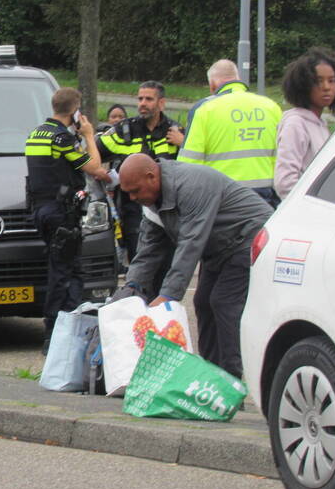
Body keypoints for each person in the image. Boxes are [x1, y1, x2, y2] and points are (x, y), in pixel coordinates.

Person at [116, 153, 273, 377]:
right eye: (128, 192)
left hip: (248, 238)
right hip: (218, 248)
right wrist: (131, 289)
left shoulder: (192, 185)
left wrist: (168, 296)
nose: (132, 198)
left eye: (135, 191)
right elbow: (148, 250)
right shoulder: (151, 201)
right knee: (202, 302)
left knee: (223, 302)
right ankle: (210, 377)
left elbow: (191, 243)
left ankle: (232, 380)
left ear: (152, 177)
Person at [25, 87, 102, 353]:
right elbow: (95, 168)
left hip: (41, 211)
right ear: (75, 110)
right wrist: (89, 136)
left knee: (65, 268)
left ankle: (68, 328)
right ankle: (56, 333)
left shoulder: (36, 133)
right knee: (65, 273)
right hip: (62, 214)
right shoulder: (61, 139)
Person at [94, 81, 183, 263]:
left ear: (161, 103)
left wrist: (184, 143)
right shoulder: (124, 131)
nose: (142, 103)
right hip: (134, 211)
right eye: (140, 98)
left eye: (149, 99)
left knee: (168, 264)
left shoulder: (175, 132)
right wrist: (97, 170)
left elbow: (196, 165)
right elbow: (92, 153)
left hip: (168, 210)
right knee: (139, 263)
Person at [178, 59, 282, 207]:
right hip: (264, 197)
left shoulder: (204, 109)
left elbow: (190, 163)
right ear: (238, 79)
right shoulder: (271, 107)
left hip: (221, 198)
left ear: (212, 85)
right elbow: (281, 155)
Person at [275, 47, 335, 199]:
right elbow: (285, 182)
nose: (326, 87)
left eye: (332, 81)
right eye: (318, 81)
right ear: (303, 85)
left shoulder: (320, 124)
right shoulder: (295, 124)